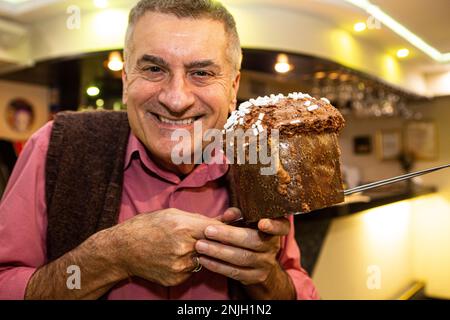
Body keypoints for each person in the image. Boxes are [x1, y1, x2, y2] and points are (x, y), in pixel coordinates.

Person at [0, 0, 318, 300]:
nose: (176, 100)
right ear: (126, 80)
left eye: (202, 73)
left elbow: (295, 282)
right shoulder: (57, 146)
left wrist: (265, 276)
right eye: (154, 69)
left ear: (233, 87)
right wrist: (111, 256)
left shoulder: (260, 164)